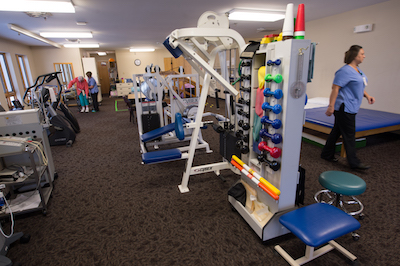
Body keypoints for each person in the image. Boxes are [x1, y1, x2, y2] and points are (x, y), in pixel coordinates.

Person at [321, 45, 375, 170]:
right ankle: (354, 162)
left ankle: (326, 154)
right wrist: (331, 106)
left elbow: (360, 86)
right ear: (355, 56)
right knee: (349, 135)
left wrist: (367, 96)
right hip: (344, 107)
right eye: (362, 54)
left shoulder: (358, 70)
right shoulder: (344, 71)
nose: (364, 56)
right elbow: (335, 88)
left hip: (352, 106)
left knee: (337, 131)